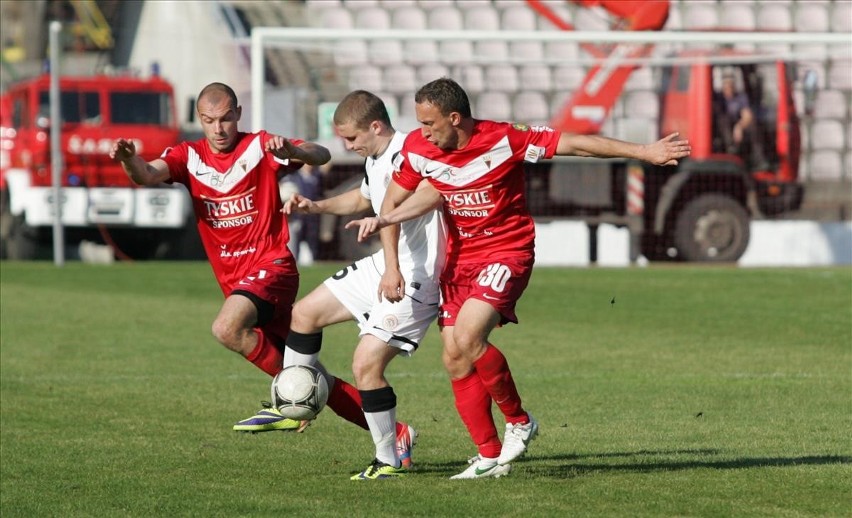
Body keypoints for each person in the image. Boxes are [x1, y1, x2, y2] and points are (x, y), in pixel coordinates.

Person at [347, 77, 691, 479]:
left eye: (428, 123)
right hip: (459, 261)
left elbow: (576, 143)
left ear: (454, 118)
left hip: (506, 251)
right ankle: (489, 456)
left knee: (469, 337)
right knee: (454, 358)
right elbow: (418, 195)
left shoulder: (505, 139)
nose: (421, 132)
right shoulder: (420, 150)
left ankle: (520, 420)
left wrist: (644, 151)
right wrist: (386, 224)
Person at [236, 90, 446, 480]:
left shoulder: (412, 153)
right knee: (305, 313)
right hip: (387, 262)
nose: (347, 146)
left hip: (417, 272)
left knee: (365, 364)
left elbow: (401, 210)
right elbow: (364, 199)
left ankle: (389, 456)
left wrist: (394, 268)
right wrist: (317, 207)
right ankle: (295, 403)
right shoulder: (375, 158)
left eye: (351, 138)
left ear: (376, 126)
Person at [109, 81, 331, 425]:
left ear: (238, 114)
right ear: (199, 119)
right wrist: (128, 159)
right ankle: (393, 433)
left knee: (226, 328)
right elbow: (146, 174)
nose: (218, 128)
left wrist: (294, 151)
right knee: (312, 372)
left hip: (272, 267)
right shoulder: (188, 156)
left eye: (226, 119)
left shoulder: (260, 146)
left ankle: (289, 395)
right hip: (236, 281)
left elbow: (322, 154)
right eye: (209, 120)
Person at [717, 70, 768, 170]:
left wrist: (739, 127)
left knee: (753, 126)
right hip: (723, 128)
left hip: (737, 126)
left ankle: (759, 160)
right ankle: (731, 149)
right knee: (723, 119)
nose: (729, 87)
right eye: (726, 84)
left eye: (731, 84)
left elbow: (747, 115)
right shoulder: (718, 98)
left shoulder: (741, 97)